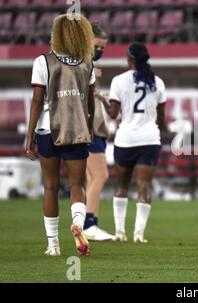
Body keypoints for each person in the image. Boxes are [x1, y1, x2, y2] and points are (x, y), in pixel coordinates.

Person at [25, 13, 95, 256]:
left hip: (47, 129)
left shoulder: (43, 61)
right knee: (77, 184)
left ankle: (53, 244)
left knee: (50, 186)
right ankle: (77, 222)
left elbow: (36, 100)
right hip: (77, 129)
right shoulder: (88, 61)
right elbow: (91, 100)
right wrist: (91, 126)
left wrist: (29, 134)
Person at [101, 42, 166, 243]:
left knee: (122, 187)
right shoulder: (158, 82)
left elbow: (113, 114)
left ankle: (120, 232)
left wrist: (103, 100)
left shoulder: (118, 81)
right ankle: (139, 234)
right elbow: (161, 120)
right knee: (144, 186)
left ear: (129, 59)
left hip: (126, 139)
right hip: (149, 139)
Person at [83, 22, 114, 241]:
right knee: (100, 175)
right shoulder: (83, 67)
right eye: (97, 46)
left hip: (95, 130)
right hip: (88, 130)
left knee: (91, 178)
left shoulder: (88, 68)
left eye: (103, 47)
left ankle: (87, 223)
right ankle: (89, 224)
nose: (100, 51)